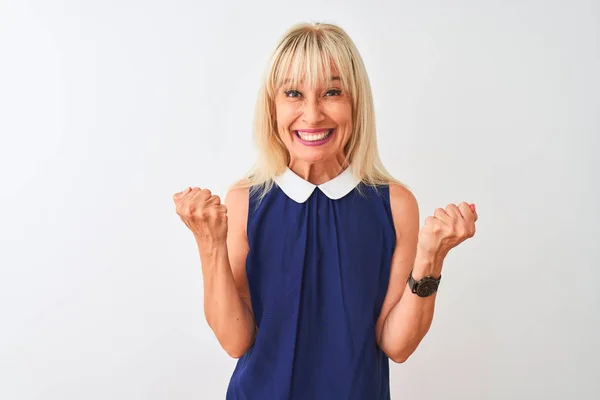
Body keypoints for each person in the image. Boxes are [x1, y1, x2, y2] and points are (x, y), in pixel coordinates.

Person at [173, 21, 478, 400]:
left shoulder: (394, 205)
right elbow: (236, 341)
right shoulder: (245, 201)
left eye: (332, 92)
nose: (313, 115)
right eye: (294, 93)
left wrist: (431, 258)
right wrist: (209, 244)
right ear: (273, 105)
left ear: (355, 101)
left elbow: (396, 345)